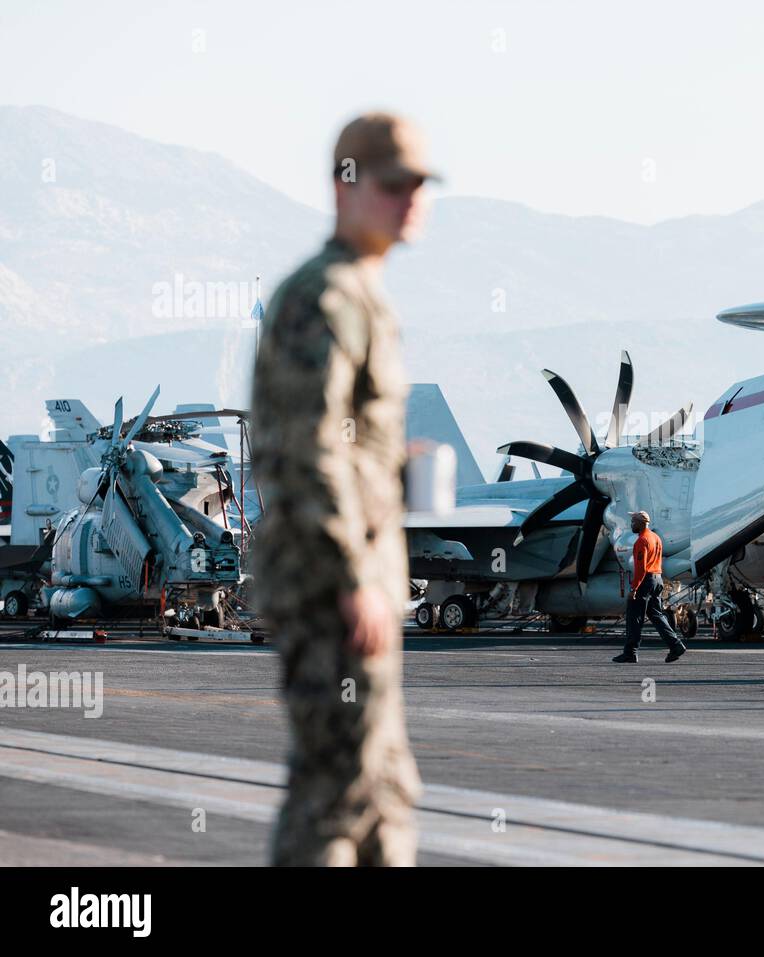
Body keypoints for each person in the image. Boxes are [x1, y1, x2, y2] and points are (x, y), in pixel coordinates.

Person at [251, 112, 438, 866]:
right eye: (394, 184)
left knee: (382, 791)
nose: (411, 199)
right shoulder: (324, 296)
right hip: (334, 586)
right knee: (339, 791)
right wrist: (353, 575)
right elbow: (303, 450)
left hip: (367, 582)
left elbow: (340, 445)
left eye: (420, 184)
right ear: (347, 186)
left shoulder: (362, 294)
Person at [613, 511, 687, 663]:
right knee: (656, 615)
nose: (631, 524)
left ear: (641, 522)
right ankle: (676, 645)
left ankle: (630, 652)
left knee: (634, 617)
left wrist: (634, 588)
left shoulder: (642, 540)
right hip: (657, 579)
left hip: (645, 580)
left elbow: (640, 568)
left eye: (633, 521)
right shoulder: (656, 538)